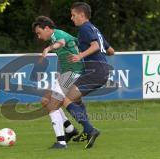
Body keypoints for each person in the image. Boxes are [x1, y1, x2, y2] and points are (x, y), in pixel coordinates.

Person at [62, 2, 115, 149]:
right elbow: (111, 51)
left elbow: (96, 46)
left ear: (81, 15)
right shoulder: (94, 29)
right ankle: (86, 131)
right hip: (101, 70)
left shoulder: (85, 28)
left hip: (95, 71)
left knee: (66, 99)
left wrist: (80, 56)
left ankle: (90, 130)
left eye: (73, 15)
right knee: (76, 98)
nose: (71, 18)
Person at [32, 16, 83, 149]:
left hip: (72, 73)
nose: (38, 36)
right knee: (45, 101)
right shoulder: (56, 35)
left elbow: (61, 42)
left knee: (53, 105)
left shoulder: (57, 34)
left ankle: (61, 142)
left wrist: (48, 49)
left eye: (39, 32)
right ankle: (70, 129)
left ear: (47, 28)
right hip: (66, 74)